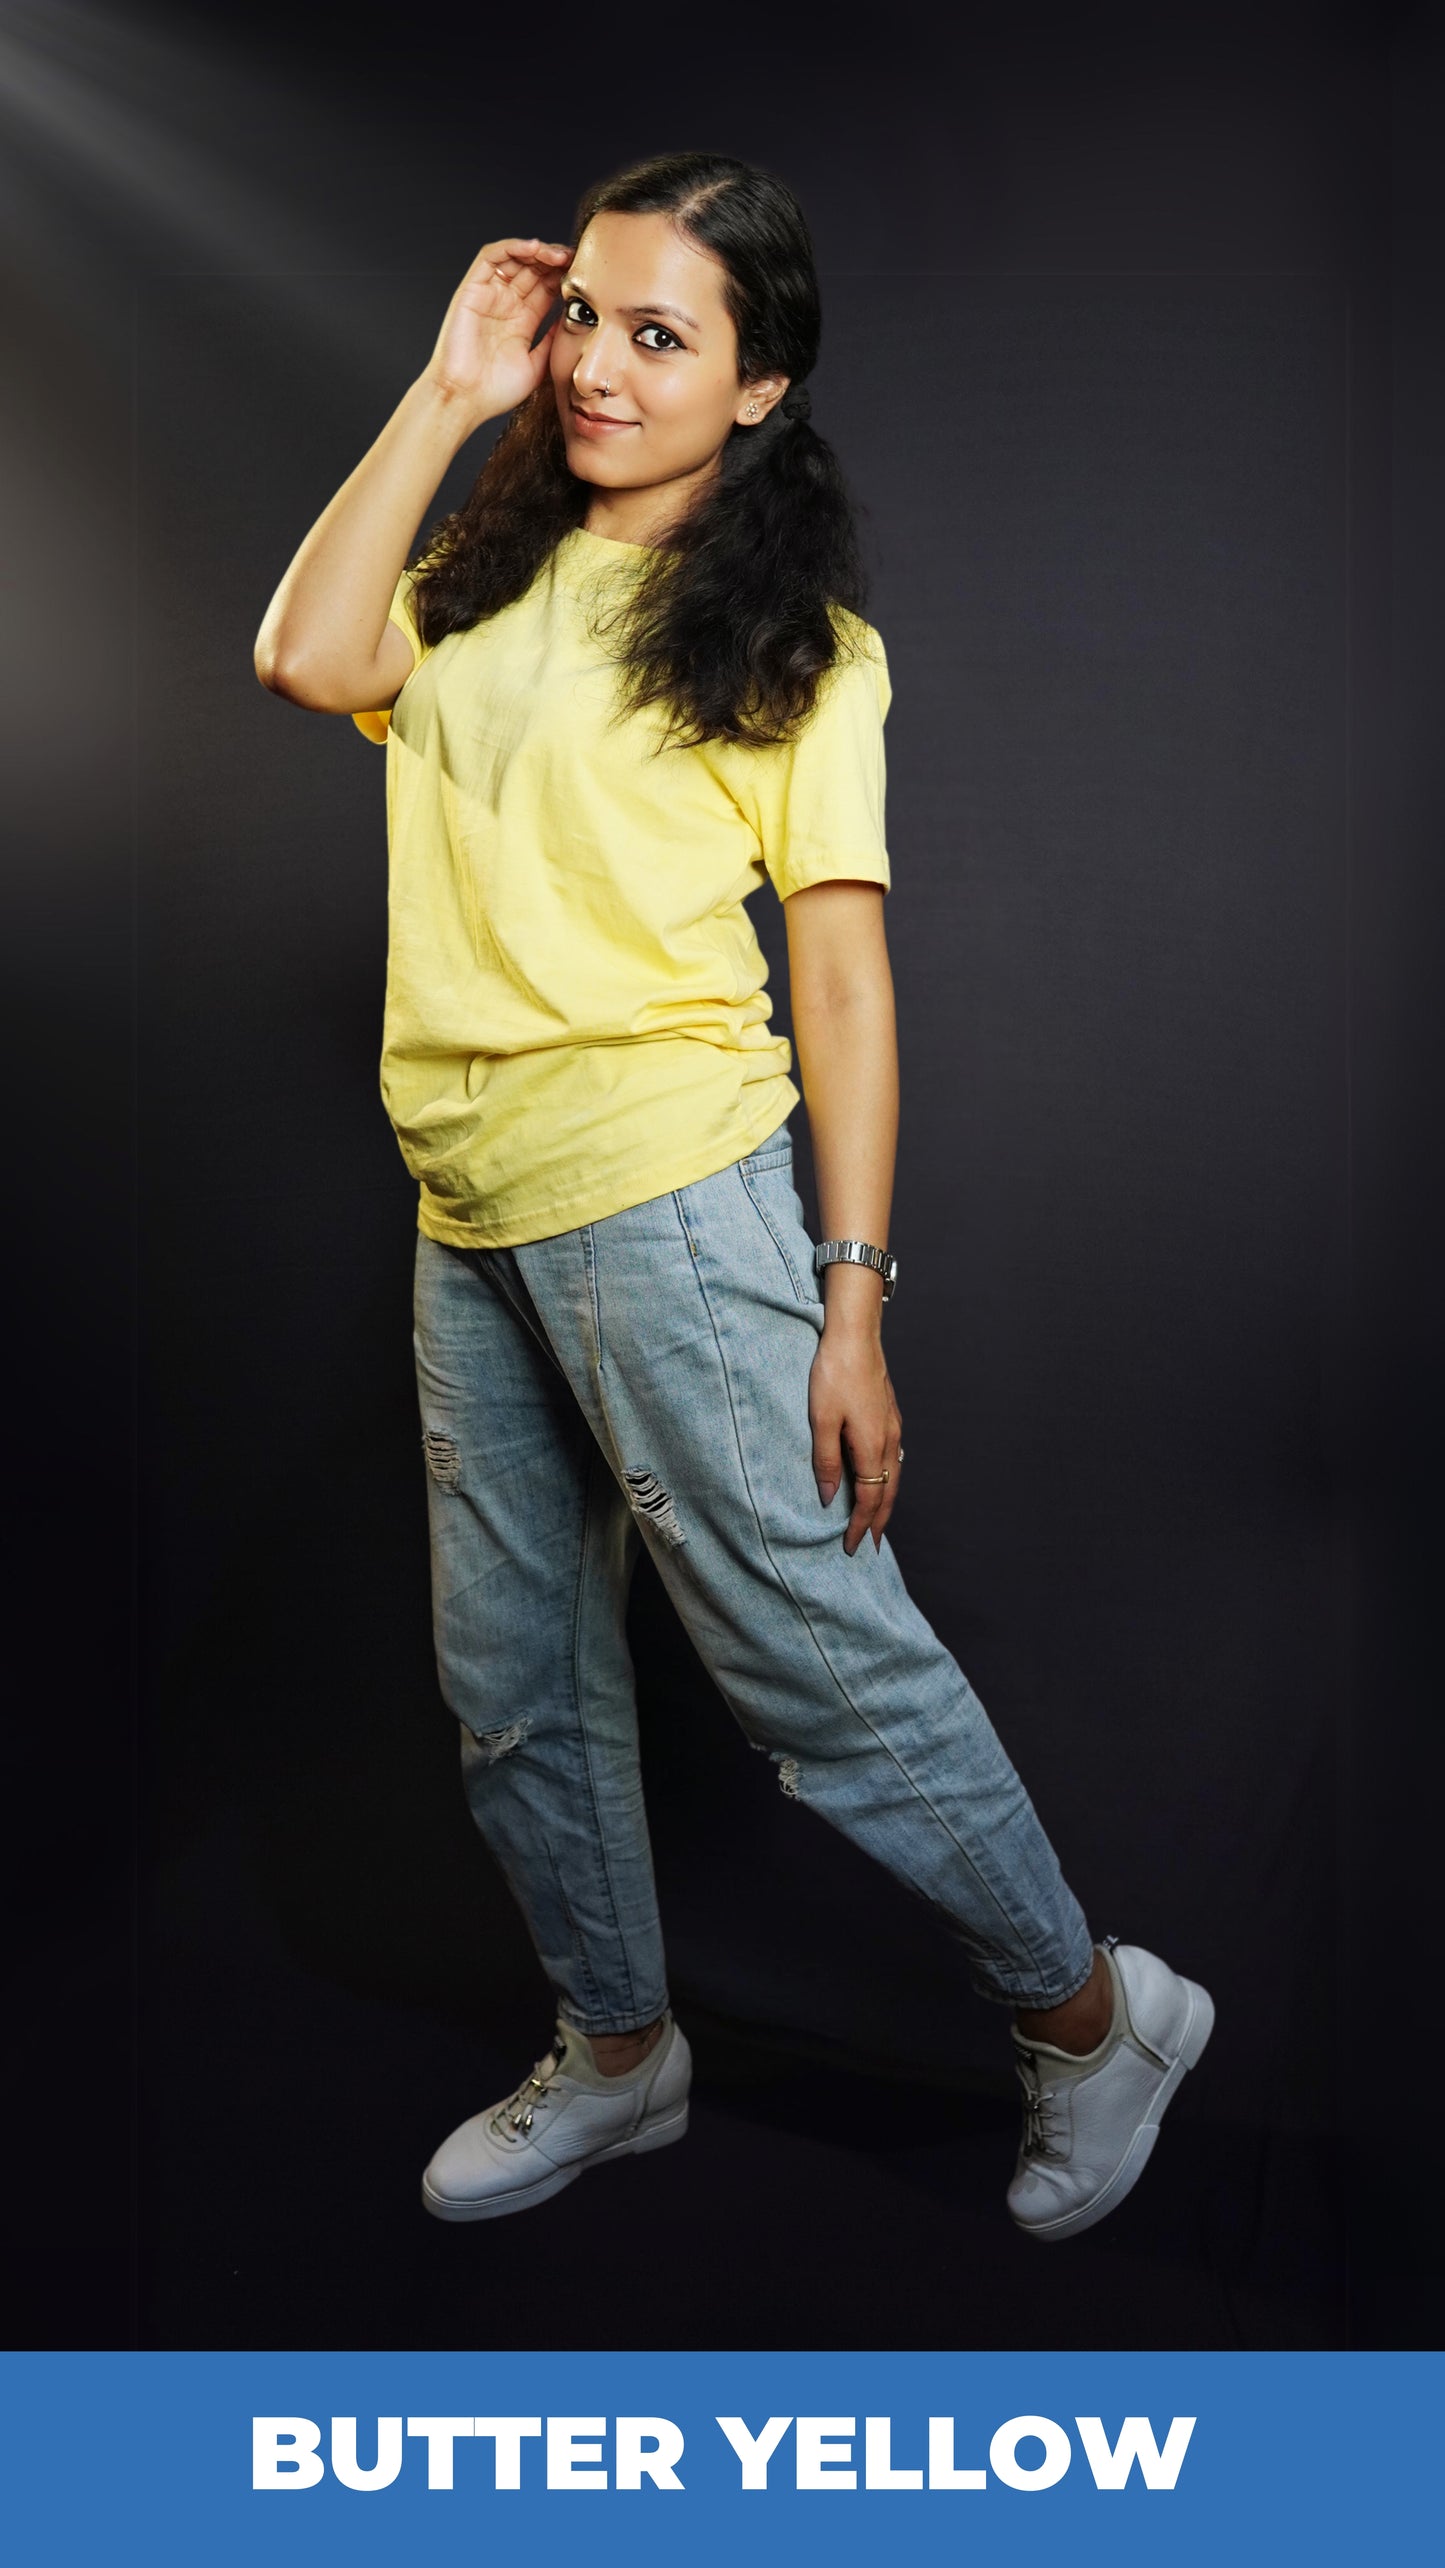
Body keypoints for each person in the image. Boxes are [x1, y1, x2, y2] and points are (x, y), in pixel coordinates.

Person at [254, 149, 1212, 2245]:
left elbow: (843, 978)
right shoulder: (488, 584)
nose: (598, 364)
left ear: (759, 384)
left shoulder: (796, 643)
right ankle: (621, 2055)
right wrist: (443, 392)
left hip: (674, 1211)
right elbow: (304, 657)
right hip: (470, 1208)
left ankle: (1090, 2019)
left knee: (820, 1670)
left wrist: (850, 1297)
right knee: (509, 1684)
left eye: (659, 333)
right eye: (584, 314)